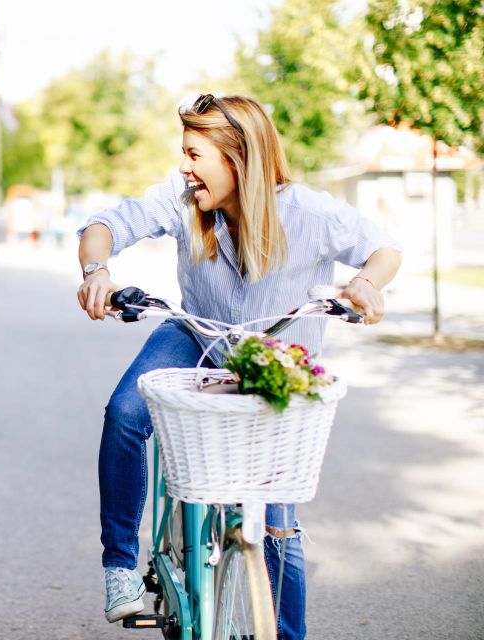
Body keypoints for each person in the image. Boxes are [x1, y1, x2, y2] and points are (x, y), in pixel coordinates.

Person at [76, 94, 401, 639]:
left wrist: (366, 282)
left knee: (277, 524)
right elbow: (106, 225)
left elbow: (383, 250)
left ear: (238, 158)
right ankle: (119, 569)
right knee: (126, 412)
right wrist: (95, 269)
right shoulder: (183, 202)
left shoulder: (309, 213)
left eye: (195, 154)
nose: (184, 167)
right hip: (197, 334)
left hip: (276, 358)